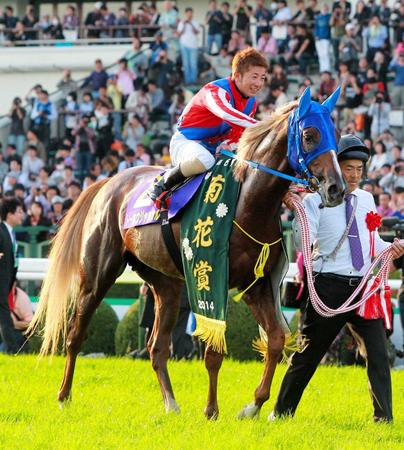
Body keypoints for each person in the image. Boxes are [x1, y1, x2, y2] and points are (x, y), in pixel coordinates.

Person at [270, 135, 404, 423]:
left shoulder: (367, 199)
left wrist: (394, 248)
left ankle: (384, 420)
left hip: (363, 290)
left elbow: (373, 243)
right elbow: (306, 240)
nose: (355, 175)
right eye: (349, 168)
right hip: (327, 287)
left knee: (379, 356)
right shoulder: (315, 201)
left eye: (359, 169)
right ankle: (281, 414)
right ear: (335, 167)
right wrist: (300, 211)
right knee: (307, 357)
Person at [149, 47, 268, 201]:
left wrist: (229, 144)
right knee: (205, 159)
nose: (259, 83)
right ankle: (163, 183)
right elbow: (226, 113)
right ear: (237, 75)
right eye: (254, 76)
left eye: (263, 78)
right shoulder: (215, 90)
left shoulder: (251, 103)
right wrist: (265, 127)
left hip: (214, 151)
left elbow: (237, 134)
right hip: (187, 143)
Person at [0, 198, 24, 354]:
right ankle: (13, 349)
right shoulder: (1, 230)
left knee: (4, 313)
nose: (22, 215)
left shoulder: (10, 232)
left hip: (7, 280)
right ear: (9, 214)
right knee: (4, 314)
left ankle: (11, 349)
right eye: (19, 212)